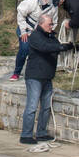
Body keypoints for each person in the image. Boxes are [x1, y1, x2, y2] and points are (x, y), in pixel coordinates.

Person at [20, 13, 72, 144]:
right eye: (50, 24)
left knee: (46, 107)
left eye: (52, 24)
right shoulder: (35, 37)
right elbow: (45, 47)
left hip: (47, 77)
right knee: (32, 106)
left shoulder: (51, 37)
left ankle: (41, 133)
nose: (52, 26)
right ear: (41, 24)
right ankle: (26, 135)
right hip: (35, 77)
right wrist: (61, 47)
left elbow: (55, 46)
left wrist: (68, 46)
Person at [11, 0, 57, 81]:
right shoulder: (31, 2)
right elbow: (20, 14)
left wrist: (48, 32)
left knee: (44, 50)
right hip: (25, 29)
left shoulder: (53, 7)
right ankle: (16, 73)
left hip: (40, 32)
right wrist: (23, 31)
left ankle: (41, 72)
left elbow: (54, 22)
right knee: (25, 48)